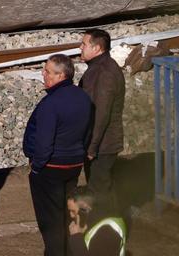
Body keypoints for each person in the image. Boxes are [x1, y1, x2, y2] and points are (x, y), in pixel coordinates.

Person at [23, 54, 93, 256]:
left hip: (50, 168)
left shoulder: (51, 103)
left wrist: (37, 166)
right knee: (66, 215)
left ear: (61, 75)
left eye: (48, 71)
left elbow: (44, 142)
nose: (43, 74)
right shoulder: (83, 98)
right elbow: (87, 132)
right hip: (73, 165)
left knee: (50, 221)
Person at [79, 28, 125, 206]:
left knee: (100, 191)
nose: (80, 48)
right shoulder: (98, 68)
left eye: (84, 44)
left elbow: (101, 112)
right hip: (100, 142)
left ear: (97, 48)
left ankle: (107, 221)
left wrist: (92, 147)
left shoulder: (104, 72)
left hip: (102, 144)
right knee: (101, 188)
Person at [68, 188, 126, 255]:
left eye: (73, 211)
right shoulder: (100, 218)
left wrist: (76, 238)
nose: (71, 215)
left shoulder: (106, 232)